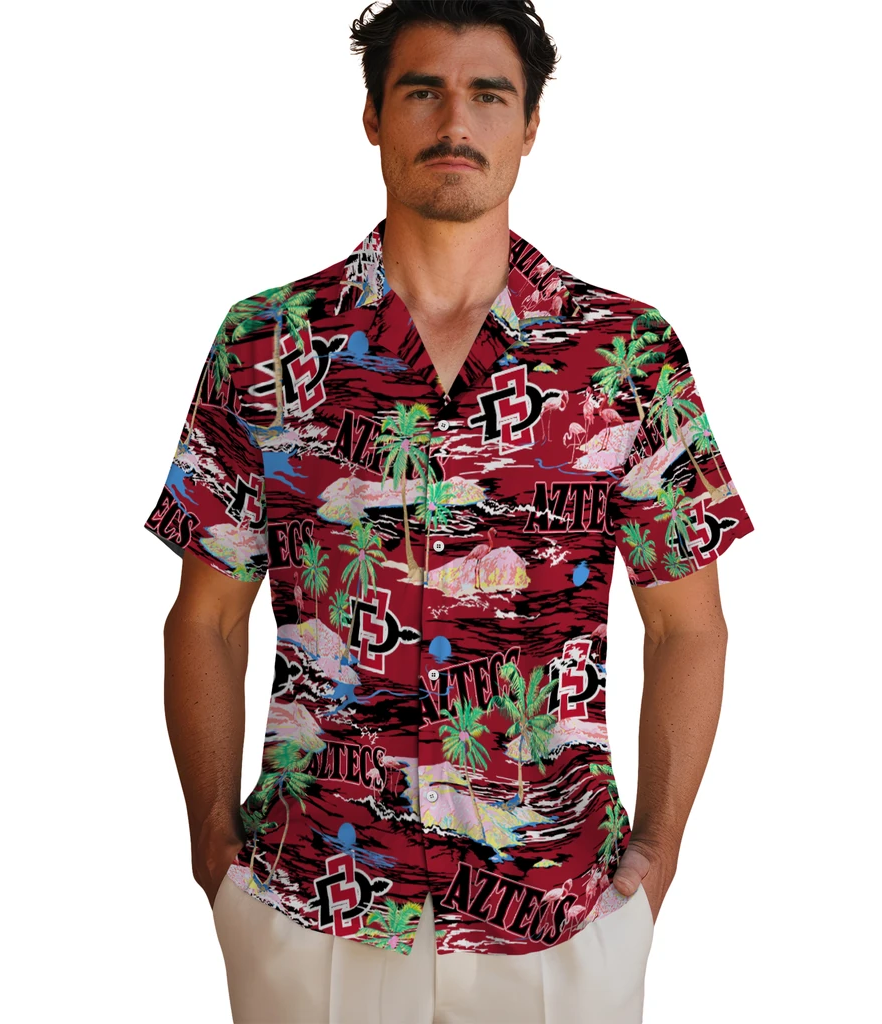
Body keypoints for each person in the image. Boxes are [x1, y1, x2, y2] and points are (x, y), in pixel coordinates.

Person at [142, 2, 755, 1021]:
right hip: (314, 900)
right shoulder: (266, 343)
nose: (455, 121)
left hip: (557, 906)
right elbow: (204, 618)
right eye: (422, 90)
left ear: (531, 124)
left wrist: (659, 851)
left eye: (489, 94)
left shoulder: (624, 353)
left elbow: (688, 625)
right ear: (373, 116)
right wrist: (214, 844)